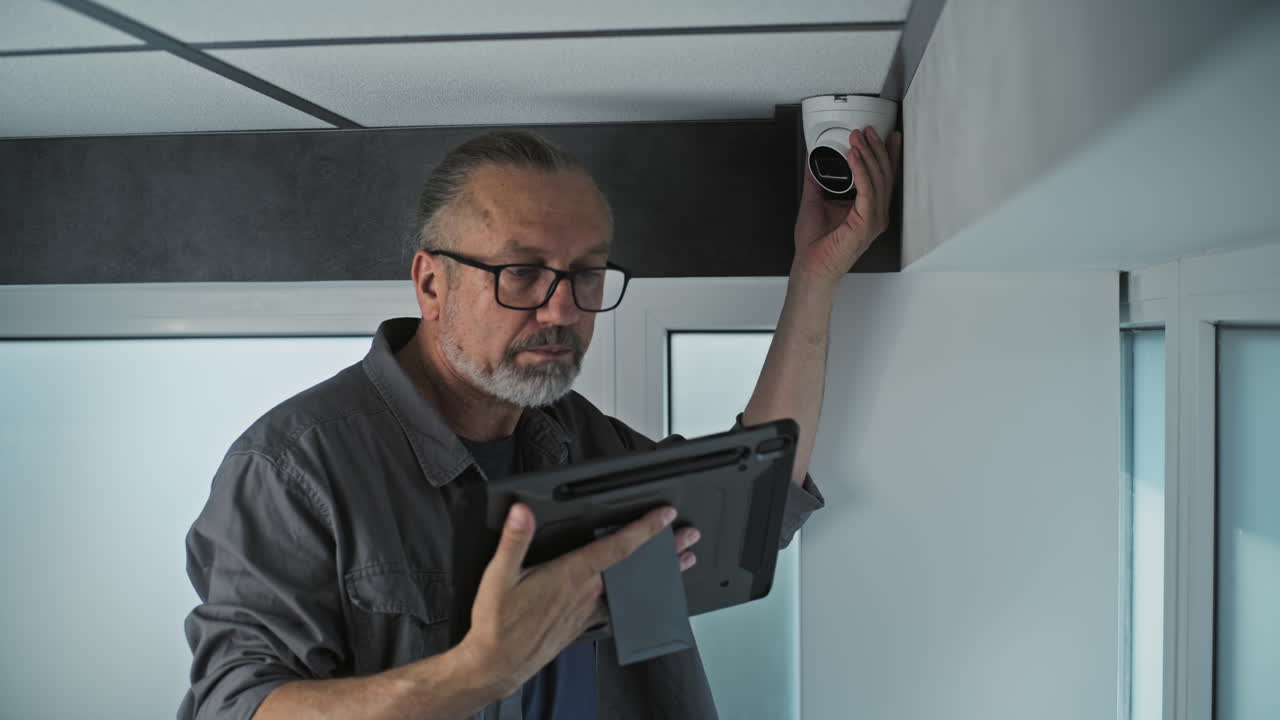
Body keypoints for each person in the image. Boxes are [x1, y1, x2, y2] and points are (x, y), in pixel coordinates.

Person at [180, 126, 901, 720]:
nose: (562, 311)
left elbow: (757, 499)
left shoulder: (572, 437)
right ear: (433, 284)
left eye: (586, 274)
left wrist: (815, 278)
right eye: (521, 273)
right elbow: (238, 708)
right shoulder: (292, 469)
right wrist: (476, 672)